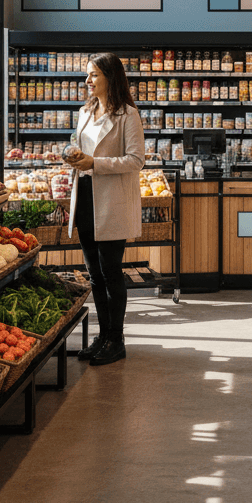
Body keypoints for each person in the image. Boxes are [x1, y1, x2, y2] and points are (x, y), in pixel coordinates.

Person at [65, 53, 145, 366]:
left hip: (111, 200)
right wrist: (71, 153)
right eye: (88, 75)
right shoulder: (85, 111)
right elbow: (77, 142)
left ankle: (117, 339)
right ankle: (103, 335)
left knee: (111, 272)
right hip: (84, 196)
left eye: (94, 75)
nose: (88, 81)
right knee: (94, 275)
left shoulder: (128, 115)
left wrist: (95, 163)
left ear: (111, 77)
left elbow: (136, 160)